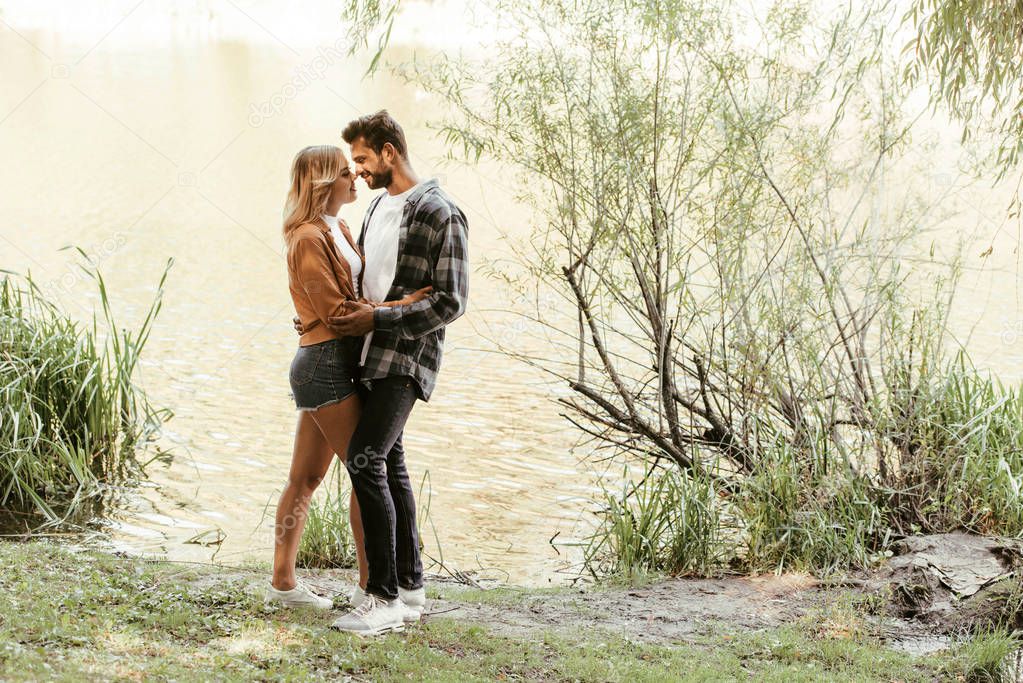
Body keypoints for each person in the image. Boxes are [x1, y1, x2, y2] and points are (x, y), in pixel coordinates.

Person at [323, 110, 470, 636]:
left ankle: (381, 597)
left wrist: (385, 315)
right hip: (367, 352)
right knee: (392, 465)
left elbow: (451, 301)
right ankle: (409, 589)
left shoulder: (440, 212)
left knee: (365, 459)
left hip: (406, 358)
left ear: (389, 151)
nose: (357, 171)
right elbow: (369, 281)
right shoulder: (381, 206)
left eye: (363, 159)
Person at [267, 145, 430, 615]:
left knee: (306, 477)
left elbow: (348, 298)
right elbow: (336, 313)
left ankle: (283, 585)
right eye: (343, 173)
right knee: (366, 470)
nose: (354, 177)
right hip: (325, 366)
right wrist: (403, 307)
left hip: (334, 360)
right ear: (322, 184)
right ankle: (370, 587)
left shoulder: (337, 228)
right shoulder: (305, 238)